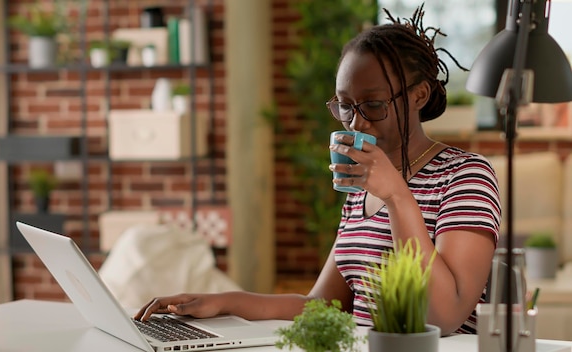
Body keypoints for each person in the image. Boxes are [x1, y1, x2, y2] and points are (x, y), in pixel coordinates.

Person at [135, 4, 501, 336]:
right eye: (345, 106)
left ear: (418, 95)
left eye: (372, 104)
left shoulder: (464, 177)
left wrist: (397, 197)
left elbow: (444, 317)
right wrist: (223, 302)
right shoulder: (363, 187)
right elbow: (325, 305)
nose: (355, 123)